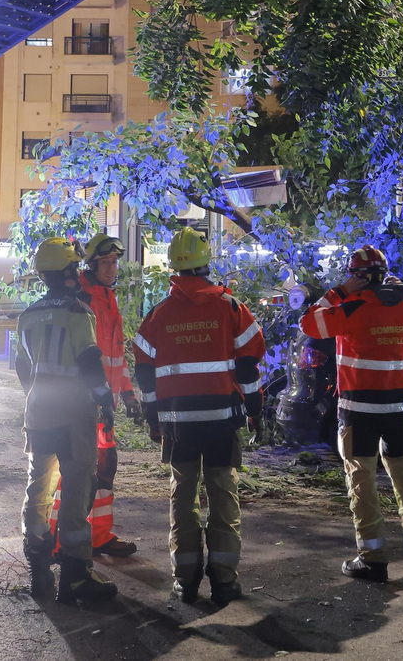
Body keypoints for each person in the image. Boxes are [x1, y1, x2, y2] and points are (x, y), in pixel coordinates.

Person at [133, 228, 265, 606]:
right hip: (222, 423)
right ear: (207, 263)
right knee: (223, 495)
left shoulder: (158, 314)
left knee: (183, 496)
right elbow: (249, 366)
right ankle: (224, 581)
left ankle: (186, 581)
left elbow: (144, 371)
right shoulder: (231, 308)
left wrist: (152, 418)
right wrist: (255, 410)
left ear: (174, 267)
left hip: (178, 426)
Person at [302, 246, 403, 581]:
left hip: (359, 410)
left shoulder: (351, 307)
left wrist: (339, 291)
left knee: (361, 478)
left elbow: (308, 323)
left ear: (358, 276)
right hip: (399, 408)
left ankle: (373, 558)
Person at [16, 237, 119, 604]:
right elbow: (91, 362)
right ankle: (75, 580)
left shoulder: (27, 315)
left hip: (38, 413)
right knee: (76, 491)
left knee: (38, 487)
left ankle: (39, 571)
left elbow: (22, 369)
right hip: (73, 415)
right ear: (65, 273)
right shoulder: (79, 313)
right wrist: (105, 402)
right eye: (74, 267)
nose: (78, 272)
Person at [54, 233, 141, 558]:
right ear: (91, 264)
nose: (111, 267)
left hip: (106, 404)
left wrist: (128, 396)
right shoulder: (82, 300)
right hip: (84, 404)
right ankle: (59, 541)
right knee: (76, 472)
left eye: (114, 261)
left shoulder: (107, 297)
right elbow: (84, 359)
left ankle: (99, 535)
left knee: (105, 469)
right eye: (105, 262)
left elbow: (116, 356)